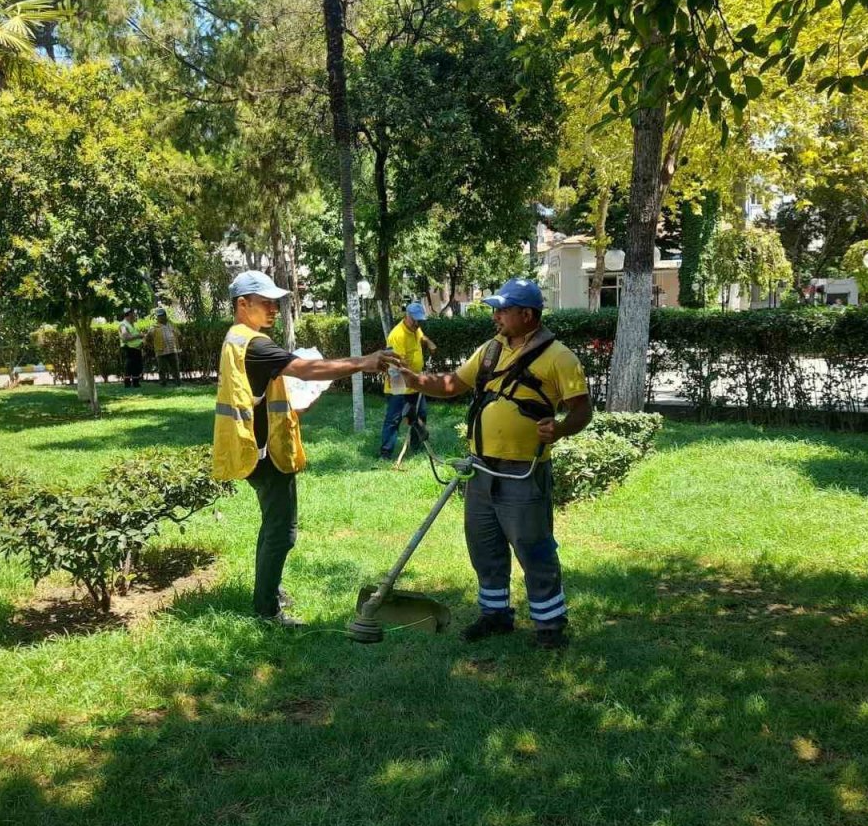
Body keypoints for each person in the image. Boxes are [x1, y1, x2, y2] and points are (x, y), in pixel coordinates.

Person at [401, 277, 591, 649]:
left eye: (502, 310)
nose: (496, 316)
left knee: (533, 548)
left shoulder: (560, 357)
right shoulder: (490, 350)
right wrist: (414, 380)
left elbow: (582, 410)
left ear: (527, 314)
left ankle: (550, 626)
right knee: (484, 546)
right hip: (481, 470)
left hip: (524, 472)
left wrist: (562, 428)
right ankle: (495, 615)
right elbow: (452, 385)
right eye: (496, 309)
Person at [212, 270, 403, 627]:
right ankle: (267, 610)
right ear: (243, 304)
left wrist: (296, 405)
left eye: (275, 302)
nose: (273, 309)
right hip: (265, 454)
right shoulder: (254, 343)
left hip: (253, 448)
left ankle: (267, 593)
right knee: (281, 532)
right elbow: (306, 369)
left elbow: (258, 394)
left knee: (272, 526)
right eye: (265, 302)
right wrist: (365, 361)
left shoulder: (237, 340)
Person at [379, 301, 437, 459]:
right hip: (398, 381)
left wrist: (428, 342)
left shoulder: (415, 328)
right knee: (394, 418)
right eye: (415, 320)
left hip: (414, 381)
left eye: (420, 320)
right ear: (407, 316)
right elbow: (399, 363)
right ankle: (385, 453)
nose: (418, 324)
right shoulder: (397, 335)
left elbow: (421, 336)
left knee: (420, 414)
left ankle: (416, 447)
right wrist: (417, 377)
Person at [151, 308, 182, 385]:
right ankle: (163, 383)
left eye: (161, 316)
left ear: (165, 316)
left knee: (175, 368)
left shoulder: (171, 325)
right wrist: (152, 346)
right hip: (161, 351)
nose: (160, 317)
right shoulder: (154, 327)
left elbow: (179, 335)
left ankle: (178, 382)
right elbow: (148, 338)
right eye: (158, 316)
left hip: (172, 350)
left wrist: (179, 346)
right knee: (162, 369)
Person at [118, 309, 144, 388]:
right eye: (133, 314)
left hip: (136, 349)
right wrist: (138, 336)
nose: (135, 315)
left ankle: (136, 383)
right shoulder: (123, 325)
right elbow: (125, 337)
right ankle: (127, 384)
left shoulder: (132, 324)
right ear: (129, 314)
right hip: (129, 348)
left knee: (137, 366)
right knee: (129, 366)